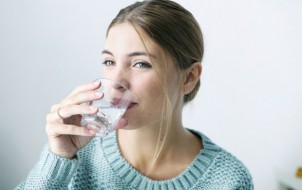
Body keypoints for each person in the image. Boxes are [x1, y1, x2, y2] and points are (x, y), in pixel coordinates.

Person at [16, 0, 253, 189]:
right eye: (109, 61)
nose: (115, 82)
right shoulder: (75, 155)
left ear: (189, 77)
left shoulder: (228, 179)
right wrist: (58, 159)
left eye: (140, 64)